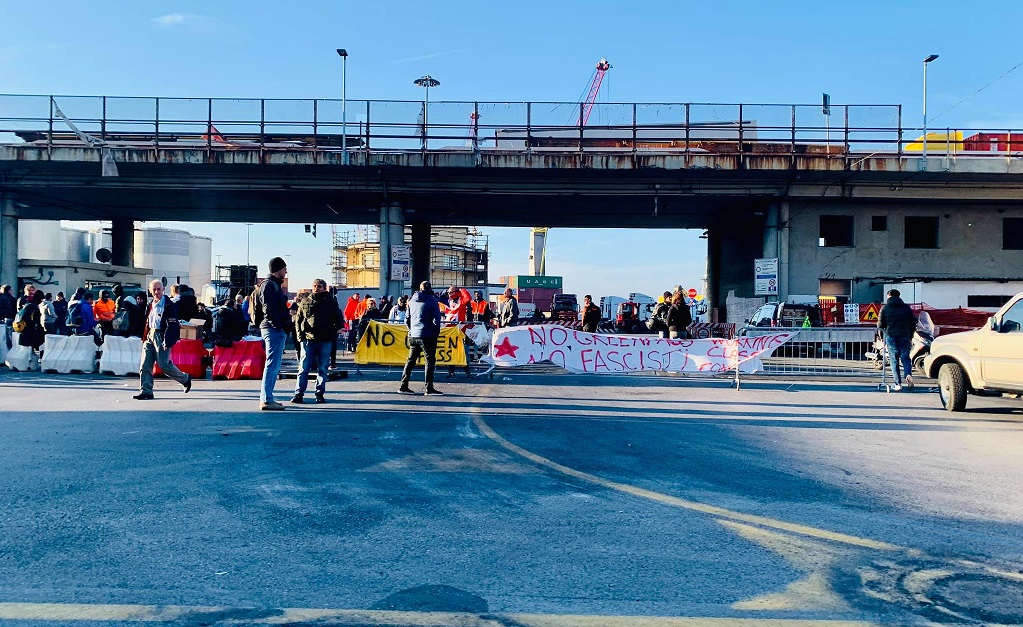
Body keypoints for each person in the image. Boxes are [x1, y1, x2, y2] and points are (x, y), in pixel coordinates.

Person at [134, 279, 192, 400]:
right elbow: (147, 321)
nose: (156, 292)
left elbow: (173, 325)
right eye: (154, 289)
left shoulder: (169, 305)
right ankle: (146, 391)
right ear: (150, 291)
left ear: (163, 290)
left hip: (162, 335)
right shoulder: (150, 304)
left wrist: (168, 340)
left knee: (164, 364)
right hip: (150, 334)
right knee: (145, 365)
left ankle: (185, 379)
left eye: (158, 289)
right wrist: (144, 336)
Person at [292, 278, 343, 404]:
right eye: (315, 285)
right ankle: (299, 394)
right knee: (304, 368)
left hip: (325, 340)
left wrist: (335, 331)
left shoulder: (331, 302)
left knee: (323, 369)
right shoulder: (305, 301)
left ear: (324, 288)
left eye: (319, 286)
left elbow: (338, 317)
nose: (316, 288)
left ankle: (319, 393)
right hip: (308, 340)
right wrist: (300, 337)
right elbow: (298, 320)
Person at [255, 257, 291, 411]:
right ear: (277, 270)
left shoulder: (270, 284)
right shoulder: (270, 285)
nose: (286, 271)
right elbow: (269, 310)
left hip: (271, 328)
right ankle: (267, 399)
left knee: (273, 364)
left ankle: (267, 398)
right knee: (272, 364)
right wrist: (279, 326)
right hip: (273, 329)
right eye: (284, 269)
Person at [398, 281, 443, 396]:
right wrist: (435, 332)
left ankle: (403, 385)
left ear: (420, 288)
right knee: (429, 361)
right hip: (427, 335)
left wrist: (411, 330)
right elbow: (436, 320)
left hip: (414, 334)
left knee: (410, 360)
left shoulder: (412, 300)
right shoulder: (433, 301)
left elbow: (407, 319)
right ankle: (429, 388)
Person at [878, 288, 918, 391]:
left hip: (891, 336)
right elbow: (913, 323)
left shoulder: (885, 308)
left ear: (889, 296)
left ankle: (897, 384)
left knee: (894, 360)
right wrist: (911, 336)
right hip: (905, 335)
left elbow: (880, 324)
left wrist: (881, 337)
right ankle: (908, 375)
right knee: (905, 358)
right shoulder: (906, 308)